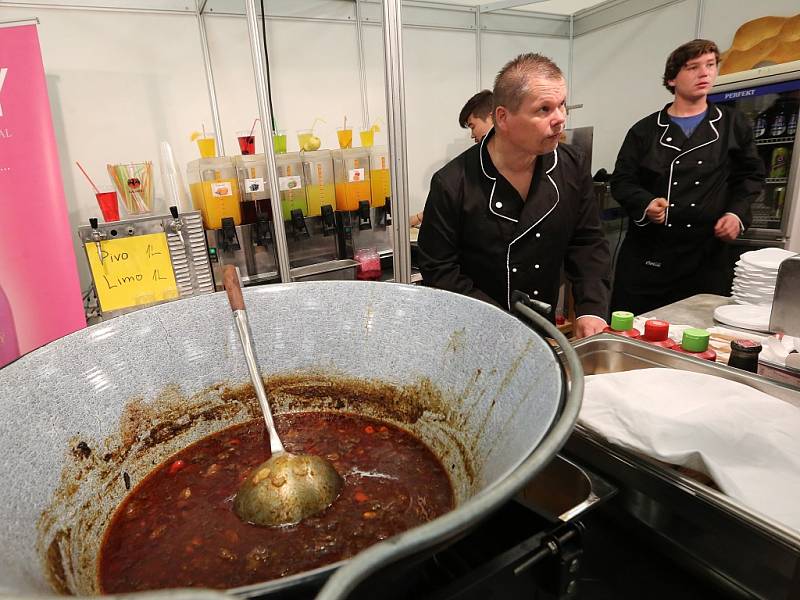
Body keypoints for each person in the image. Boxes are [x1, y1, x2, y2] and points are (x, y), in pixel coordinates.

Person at [417, 53, 611, 338]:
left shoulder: (571, 165)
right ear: (503, 118)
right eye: (544, 109)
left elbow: (587, 241)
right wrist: (502, 326)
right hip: (475, 330)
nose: (559, 119)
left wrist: (591, 307)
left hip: (540, 329)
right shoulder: (453, 182)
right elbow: (439, 268)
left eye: (562, 105)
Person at [610, 39, 765, 315]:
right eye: (693, 67)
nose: (704, 73)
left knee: (699, 337)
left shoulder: (733, 125)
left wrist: (736, 214)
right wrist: (645, 203)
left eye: (710, 65)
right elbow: (621, 180)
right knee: (635, 332)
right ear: (672, 78)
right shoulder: (644, 131)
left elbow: (751, 177)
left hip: (706, 256)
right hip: (650, 255)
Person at [411, 90, 496, 229]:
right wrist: (418, 218)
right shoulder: (457, 174)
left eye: (473, 126)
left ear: (493, 117)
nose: (472, 135)